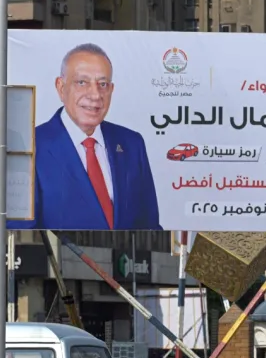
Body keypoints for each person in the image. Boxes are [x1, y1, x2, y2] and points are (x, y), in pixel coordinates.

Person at [8, 43, 161, 231]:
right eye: (82, 82)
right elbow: (20, 233)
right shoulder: (28, 148)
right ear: (61, 87)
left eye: (102, 84)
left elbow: (150, 226)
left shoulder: (131, 144)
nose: (95, 94)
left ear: (111, 90)